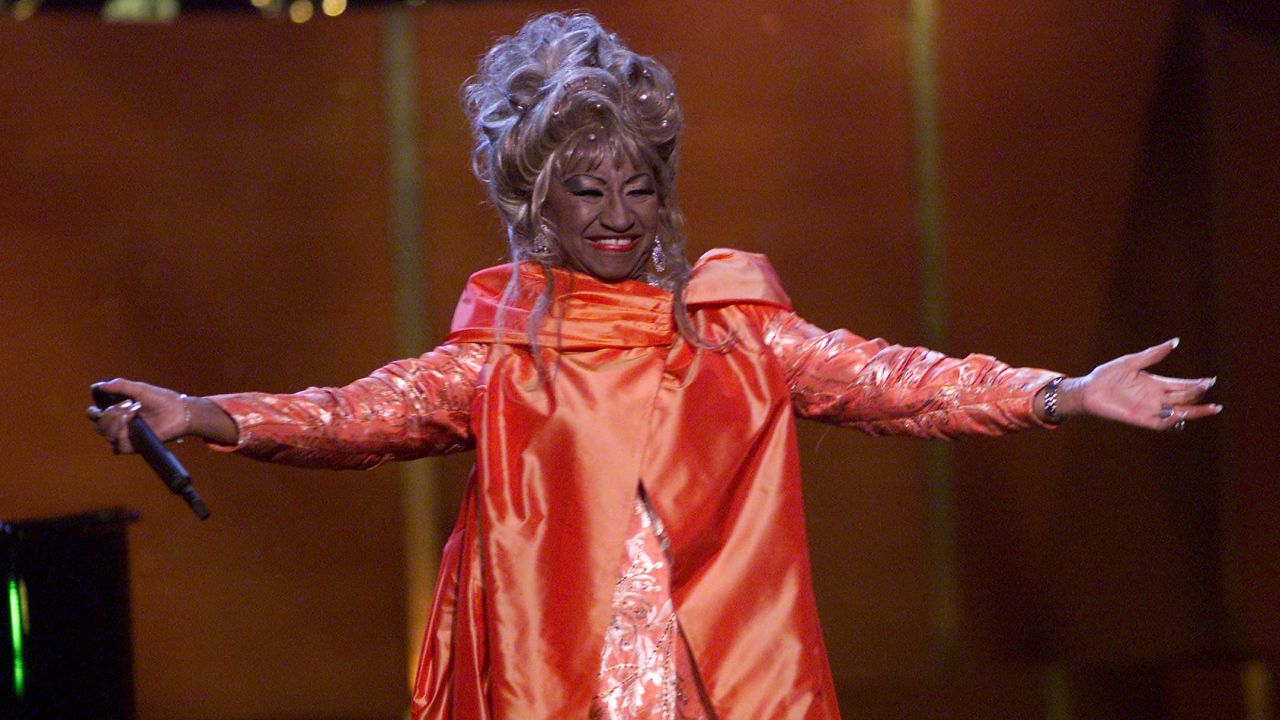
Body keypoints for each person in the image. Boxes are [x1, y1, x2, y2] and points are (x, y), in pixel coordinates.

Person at [87, 12, 1220, 720]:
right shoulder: (502, 350)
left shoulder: (731, 327)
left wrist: (1059, 395)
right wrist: (206, 413)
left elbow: (894, 381)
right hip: (553, 679)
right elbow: (355, 416)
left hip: (717, 678)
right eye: (590, 189)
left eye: (639, 186)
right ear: (538, 199)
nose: (621, 215)